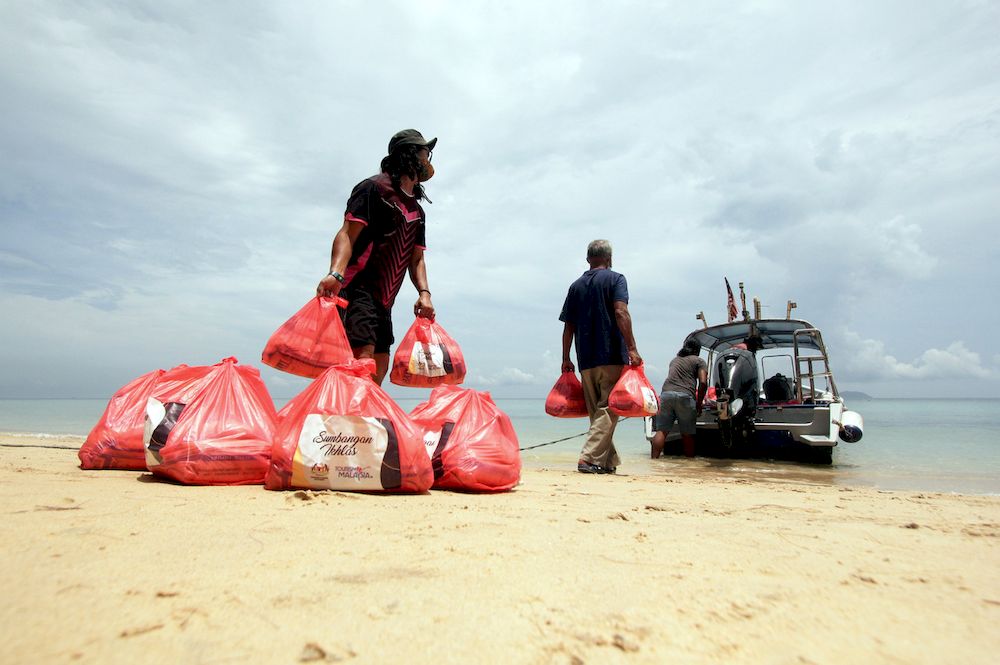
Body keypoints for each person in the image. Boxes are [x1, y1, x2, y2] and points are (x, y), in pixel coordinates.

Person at [316, 129, 437, 384]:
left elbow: (417, 259)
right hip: (358, 288)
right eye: (425, 151)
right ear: (410, 154)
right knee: (363, 360)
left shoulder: (417, 211)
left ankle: (364, 419)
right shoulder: (374, 188)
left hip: (385, 301)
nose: (429, 158)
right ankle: (347, 417)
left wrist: (424, 293)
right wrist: (335, 272)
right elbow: (347, 233)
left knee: (380, 362)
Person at [559, 240, 642, 474]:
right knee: (609, 409)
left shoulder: (575, 286)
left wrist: (566, 358)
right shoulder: (616, 279)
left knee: (598, 412)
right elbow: (620, 311)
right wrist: (632, 347)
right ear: (610, 258)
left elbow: (568, 327)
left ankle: (607, 461)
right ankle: (588, 458)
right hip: (611, 354)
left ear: (588, 259)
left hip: (585, 358)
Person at [650, 338, 708, 459]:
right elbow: (703, 383)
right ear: (698, 350)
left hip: (666, 395)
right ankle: (689, 463)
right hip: (685, 396)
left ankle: (654, 461)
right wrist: (699, 403)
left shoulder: (674, 360)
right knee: (687, 434)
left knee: (662, 431)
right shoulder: (699, 361)